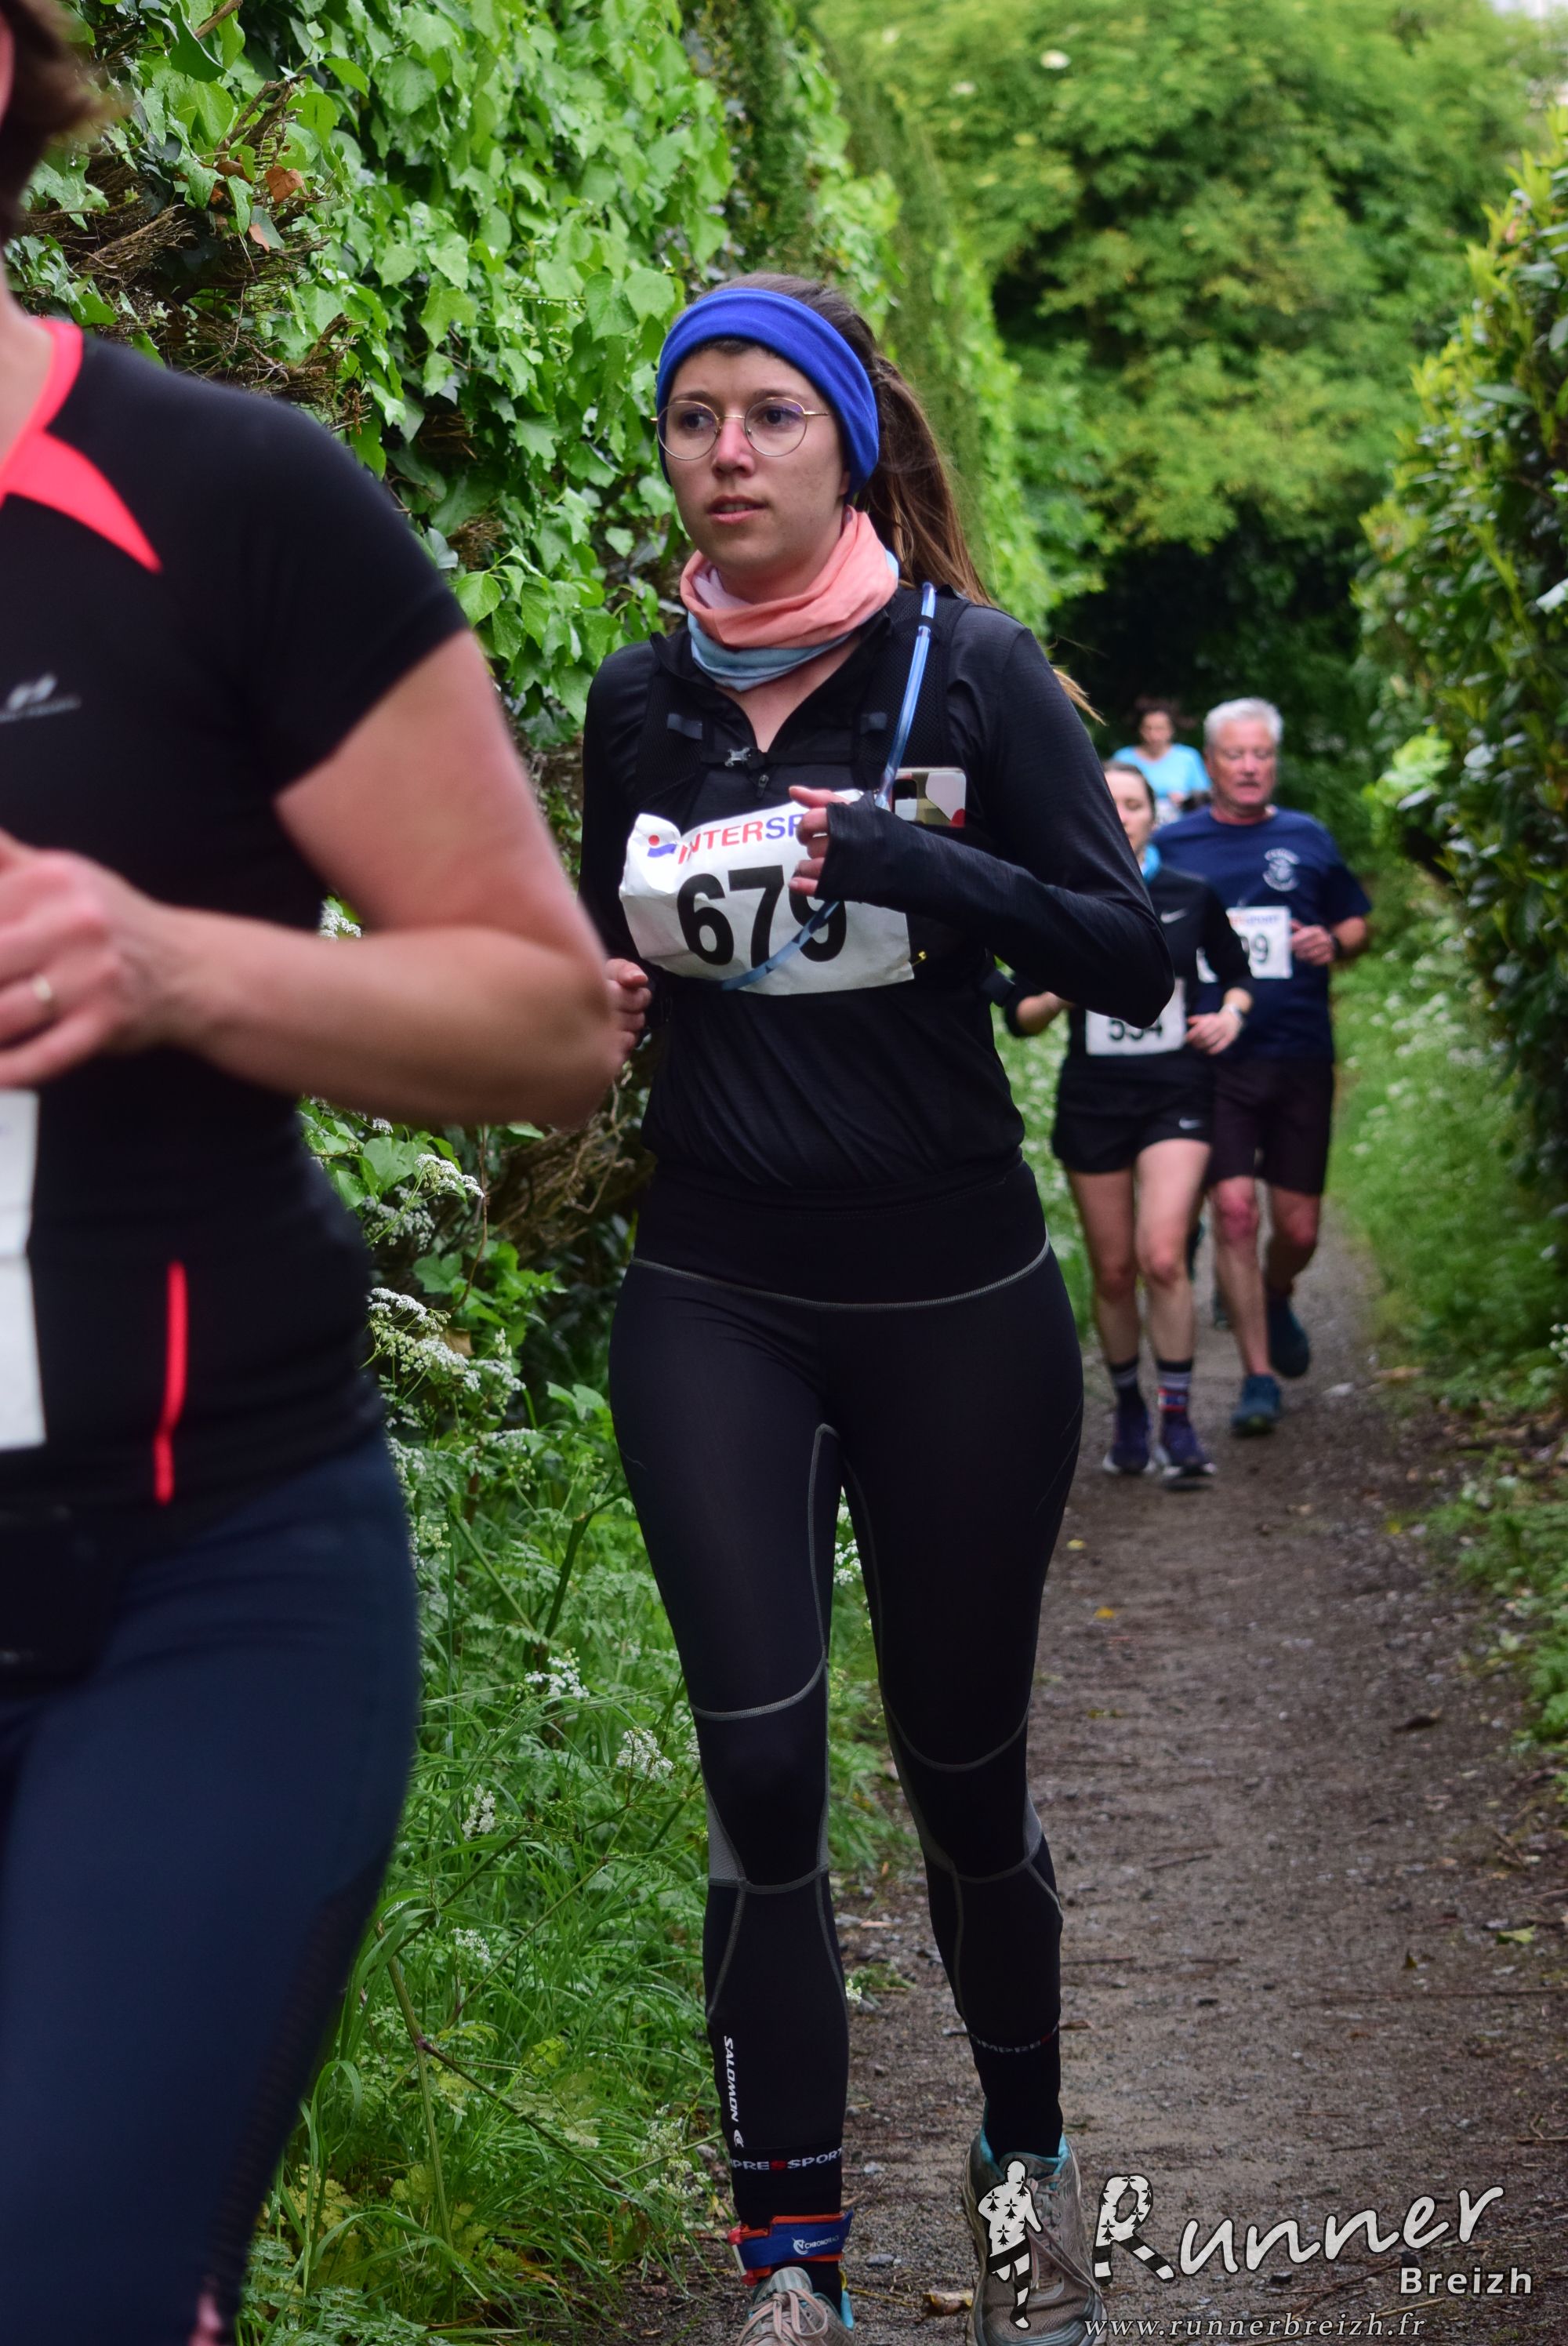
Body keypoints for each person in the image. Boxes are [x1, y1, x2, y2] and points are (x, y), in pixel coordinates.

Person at [0, 5, 619, 2337]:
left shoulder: (219, 497)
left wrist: (166, 961)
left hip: (194, 1576)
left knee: (61, 2279)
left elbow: (548, 1018)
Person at [580, 273, 1171, 2346]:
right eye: (692, 419)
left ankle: (1027, 2180)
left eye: (768, 416)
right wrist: (591, 993)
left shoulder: (973, 671)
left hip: (954, 1300)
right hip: (716, 1288)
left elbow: (1133, 954)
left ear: (847, 446)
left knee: (960, 1775)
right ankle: (792, 2267)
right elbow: (616, 966)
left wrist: (920, 869)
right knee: (759, 1777)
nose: (724, 453)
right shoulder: (639, 702)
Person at [1001, 761, 1252, 1487]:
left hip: (1176, 1090)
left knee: (1162, 1256)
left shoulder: (1190, 893)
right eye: (1108, 803)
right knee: (1113, 1272)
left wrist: (1231, 1016)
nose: (1122, 815)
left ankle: (1178, 1419)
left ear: (1152, 815)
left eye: (1135, 804)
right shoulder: (1059, 898)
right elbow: (1019, 1015)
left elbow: (1238, 975)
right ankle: (1130, 1411)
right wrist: (1064, 990)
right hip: (1095, 1100)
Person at [1159, 698, 1370, 1435]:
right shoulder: (1173, 844)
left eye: (1262, 755)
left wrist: (1334, 942)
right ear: (1210, 763)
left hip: (1299, 1050)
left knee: (1300, 1229)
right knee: (1235, 1212)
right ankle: (1257, 1378)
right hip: (1213, 1058)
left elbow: (1355, 919)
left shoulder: (1306, 837)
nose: (1250, 767)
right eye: (1235, 755)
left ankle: (1277, 1293)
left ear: (1274, 762)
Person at [1112, 699, 1207, 820]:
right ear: (1139, 729)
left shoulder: (1188, 757)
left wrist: (1185, 800)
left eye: (1160, 729)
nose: (1153, 735)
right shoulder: (1123, 757)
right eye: (1148, 728)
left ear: (1171, 730)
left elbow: (1202, 798)